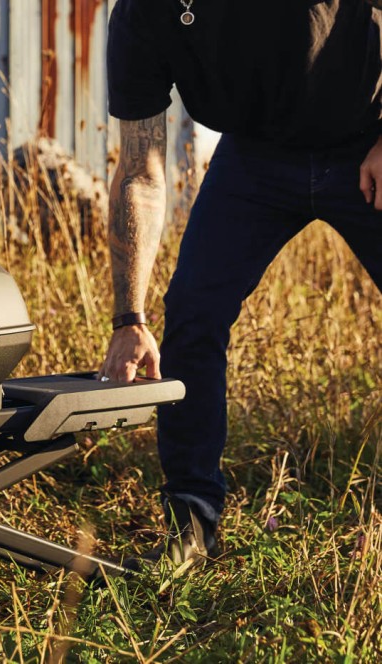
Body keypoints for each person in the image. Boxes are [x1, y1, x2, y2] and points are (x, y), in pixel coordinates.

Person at [100, 0, 382, 571]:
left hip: (365, 140)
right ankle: (192, 521)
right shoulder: (142, 14)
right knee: (192, 312)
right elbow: (140, 171)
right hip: (255, 157)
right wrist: (129, 319)